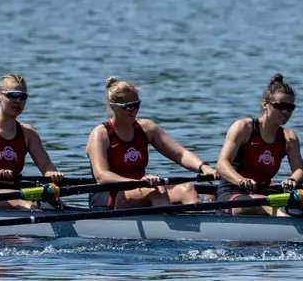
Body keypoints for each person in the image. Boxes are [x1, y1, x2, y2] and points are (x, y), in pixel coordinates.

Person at [84, 77, 214, 209]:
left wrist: (204, 167)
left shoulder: (147, 128)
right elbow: (102, 175)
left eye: (137, 105)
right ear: (114, 108)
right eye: (128, 107)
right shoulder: (100, 134)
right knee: (156, 192)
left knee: (188, 188)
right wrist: (137, 183)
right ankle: (167, 224)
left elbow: (180, 154)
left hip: (141, 188)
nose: (134, 110)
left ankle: (201, 224)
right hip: (109, 195)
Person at [0, 74, 64, 209]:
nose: (18, 101)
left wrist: (54, 175)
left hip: (13, 191)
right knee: (21, 200)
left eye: (22, 96)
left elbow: (47, 167)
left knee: (53, 203)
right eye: (13, 95)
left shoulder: (28, 133)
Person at [211, 73, 303, 215]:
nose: (285, 112)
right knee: (266, 205)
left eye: (290, 108)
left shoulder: (289, 138)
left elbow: (300, 171)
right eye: (280, 106)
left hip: (263, 193)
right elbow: (221, 165)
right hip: (233, 193)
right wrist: (241, 180)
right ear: (265, 105)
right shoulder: (244, 128)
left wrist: (293, 179)